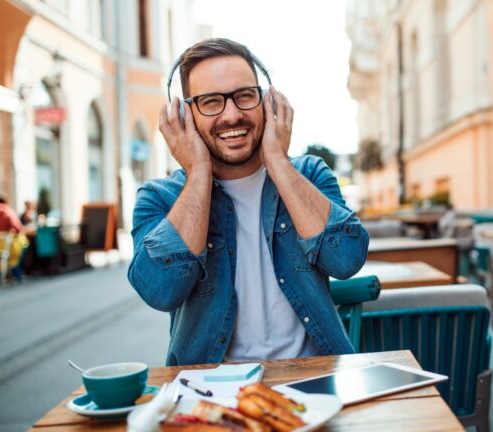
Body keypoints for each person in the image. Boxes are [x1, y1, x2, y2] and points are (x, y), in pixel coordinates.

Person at [127, 38, 369, 366]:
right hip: (207, 391)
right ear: (185, 114)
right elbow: (161, 290)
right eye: (211, 102)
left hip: (315, 380)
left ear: (266, 102)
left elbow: (346, 260)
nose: (232, 115)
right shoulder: (158, 197)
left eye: (244, 96)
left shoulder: (310, 174)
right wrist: (198, 171)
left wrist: (278, 161)